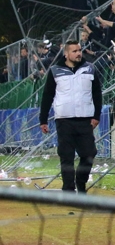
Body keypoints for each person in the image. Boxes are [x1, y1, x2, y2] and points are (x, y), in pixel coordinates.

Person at [39, 40, 102, 194]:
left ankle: (81, 184)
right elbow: (47, 95)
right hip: (64, 119)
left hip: (85, 119)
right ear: (66, 54)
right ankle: (68, 190)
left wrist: (96, 116)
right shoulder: (55, 70)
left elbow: (97, 94)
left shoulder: (90, 68)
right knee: (66, 156)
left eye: (79, 50)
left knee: (89, 153)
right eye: (74, 51)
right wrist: (43, 119)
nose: (78, 53)